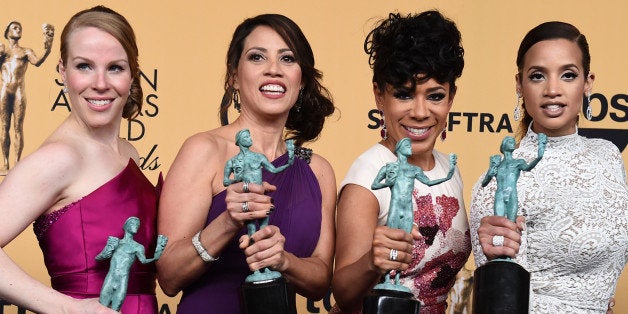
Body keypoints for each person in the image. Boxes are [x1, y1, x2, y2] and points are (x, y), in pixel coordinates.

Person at [156, 14, 336, 313]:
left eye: (288, 59)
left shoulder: (317, 170)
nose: (273, 70)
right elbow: (169, 278)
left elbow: (319, 282)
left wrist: (283, 260)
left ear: (301, 79)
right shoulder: (204, 149)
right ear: (234, 76)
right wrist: (228, 222)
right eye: (257, 57)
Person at [0, 5, 161, 313]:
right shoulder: (60, 158)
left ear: (132, 74)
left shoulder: (129, 152)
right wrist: (65, 308)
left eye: (115, 67)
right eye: (84, 66)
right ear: (62, 71)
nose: (100, 83)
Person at [470, 21, 628, 313]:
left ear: (588, 82)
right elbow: (499, 298)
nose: (553, 90)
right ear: (519, 84)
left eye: (568, 75)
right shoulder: (503, 180)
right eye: (538, 76)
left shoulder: (608, 155)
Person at [332, 11, 471, 313]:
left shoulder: (450, 170)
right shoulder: (369, 174)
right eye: (404, 94)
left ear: (451, 98)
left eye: (435, 96)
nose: (420, 112)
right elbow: (343, 292)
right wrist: (372, 261)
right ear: (379, 95)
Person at [0, 20, 54, 172]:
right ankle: (5, 163)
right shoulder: (3, 51)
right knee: (4, 127)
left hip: (18, 91)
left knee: (18, 127)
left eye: (20, 28)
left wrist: (48, 49)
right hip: (4, 90)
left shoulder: (26, 51)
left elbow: (37, 62)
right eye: (15, 28)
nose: (18, 30)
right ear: (8, 32)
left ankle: (16, 164)